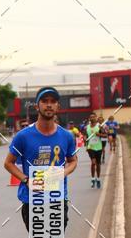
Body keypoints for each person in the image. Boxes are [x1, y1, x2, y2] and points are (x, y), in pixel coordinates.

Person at [4, 87, 78, 230]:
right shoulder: (23, 136)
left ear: (58, 106)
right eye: (44, 101)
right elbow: (8, 163)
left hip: (57, 197)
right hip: (32, 198)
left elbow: (73, 161)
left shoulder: (67, 136)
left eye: (53, 101)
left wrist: (64, 172)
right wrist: (26, 180)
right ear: (37, 106)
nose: (49, 104)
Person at [85, 112, 103, 188]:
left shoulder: (99, 126)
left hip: (98, 147)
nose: (92, 118)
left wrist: (99, 135)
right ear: (89, 119)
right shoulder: (87, 127)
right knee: (93, 162)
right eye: (91, 117)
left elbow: (106, 134)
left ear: (96, 118)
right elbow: (85, 136)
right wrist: (85, 139)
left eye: (93, 117)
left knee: (98, 164)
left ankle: (98, 179)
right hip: (90, 147)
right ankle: (92, 179)